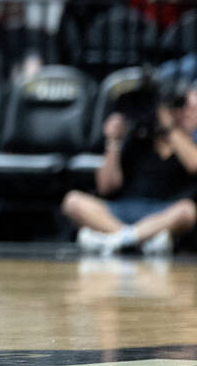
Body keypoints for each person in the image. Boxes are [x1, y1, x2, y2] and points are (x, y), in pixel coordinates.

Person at [61, 83, 197, 256]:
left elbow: (194, 164)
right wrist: (113, 141)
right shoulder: (137, 137)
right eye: (179, 107)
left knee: (187, 211)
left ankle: (111, 239)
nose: (183, 113)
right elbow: (106, 187)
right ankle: (133, 239)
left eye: (189, 109)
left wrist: (169, 126)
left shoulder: (191, 144)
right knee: (72, 201)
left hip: (163, 213)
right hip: (124, 209)